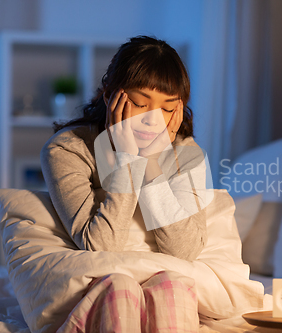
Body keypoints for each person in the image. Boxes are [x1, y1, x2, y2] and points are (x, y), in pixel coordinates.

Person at [41, 36, 213, 332]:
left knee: (173, 285)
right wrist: (126, 159)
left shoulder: (187, 153)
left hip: (164, 279)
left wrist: (151, 164)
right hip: (99, 284)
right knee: (119, 287)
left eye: (167, 109)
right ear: (109, 95)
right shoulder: (68, 149)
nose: (153, 120)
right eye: (138, 103)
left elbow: (184, 251)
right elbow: (101, 248)